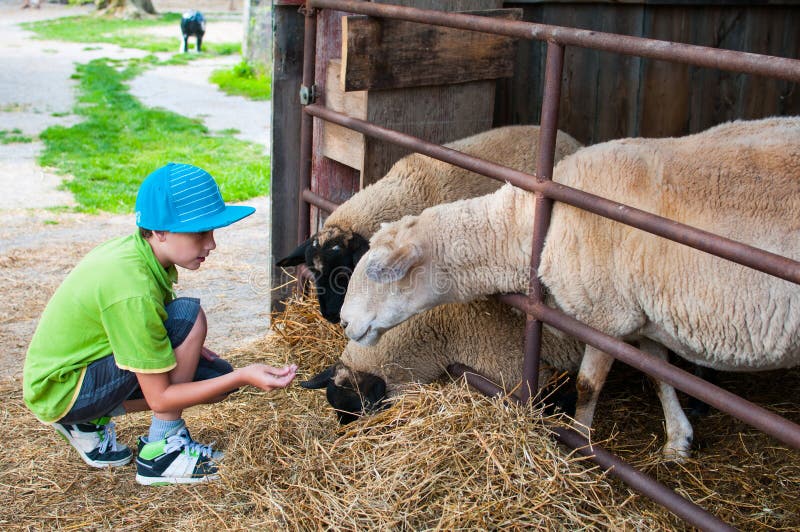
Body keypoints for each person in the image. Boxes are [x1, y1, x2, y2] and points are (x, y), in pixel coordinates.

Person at [23, 162, 297, 485]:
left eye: (212, 232)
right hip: (61, 386)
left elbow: (145, 327)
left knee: (215, 378)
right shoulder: (132, 288)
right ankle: (162, 453)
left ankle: (85, 422)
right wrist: (244, 374)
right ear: (160, 231)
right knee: (191, 319)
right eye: (199, 232)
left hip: (72, 375)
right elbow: (161, 397)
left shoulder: (142, 255)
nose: (211, 244)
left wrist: (212, 363)